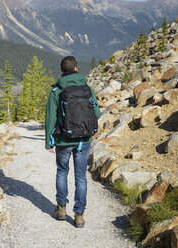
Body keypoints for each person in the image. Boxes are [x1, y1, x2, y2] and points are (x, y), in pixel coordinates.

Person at [44, 56, 101, 228]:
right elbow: (96, 114)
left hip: (63, 140)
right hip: (84, 140)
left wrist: (49, 141)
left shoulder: (56, 91)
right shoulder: (87, 89)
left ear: (62, 71)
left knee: (62, 171)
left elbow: (50, 118)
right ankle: (79, 216)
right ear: (76, 68)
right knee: (80, 178)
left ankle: (61, 209)